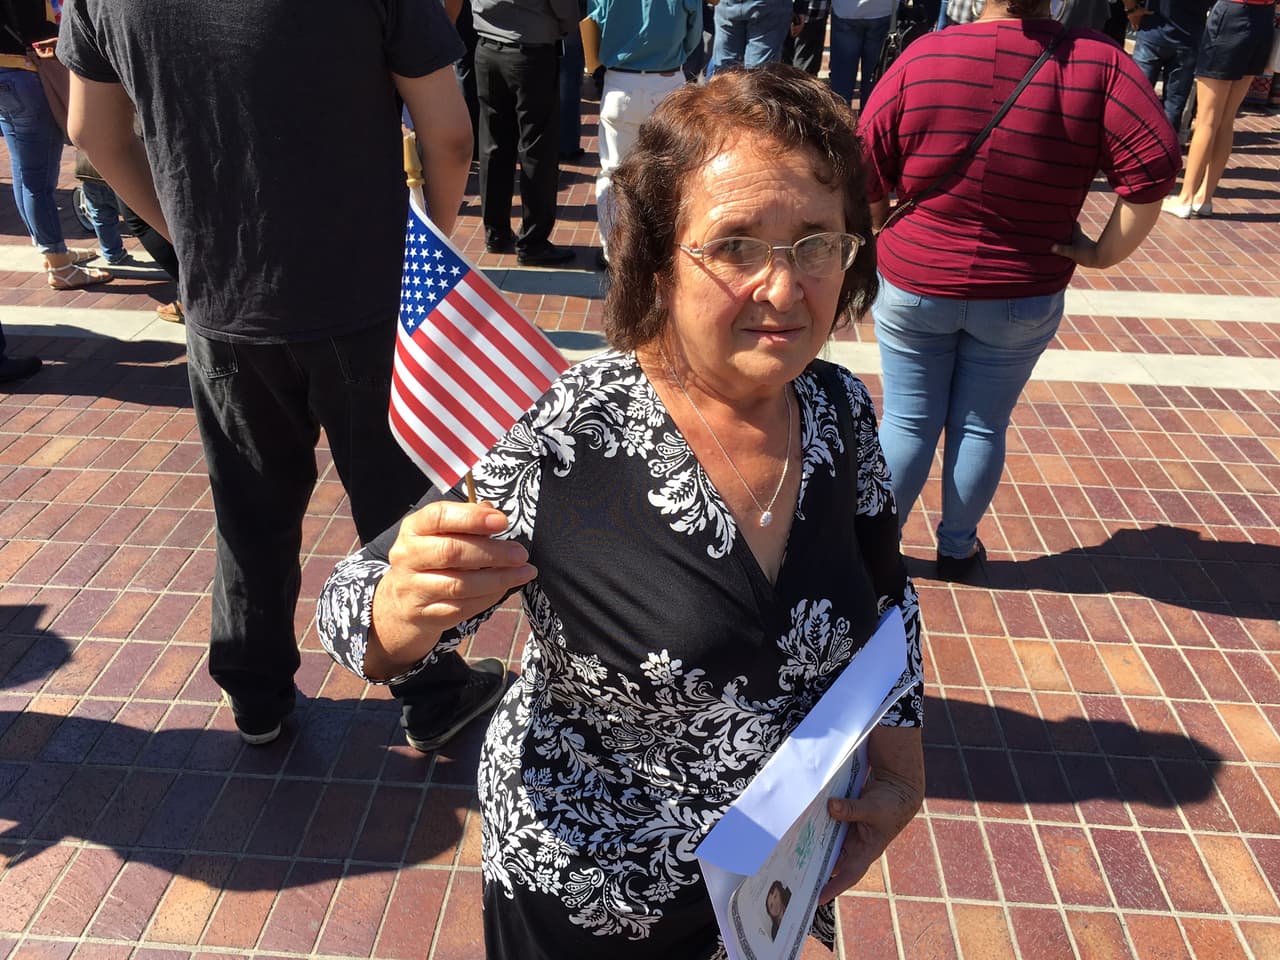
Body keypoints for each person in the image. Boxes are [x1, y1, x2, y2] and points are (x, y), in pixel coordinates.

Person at [317, 65, 924, 958]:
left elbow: (885, 594)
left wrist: (901, 769)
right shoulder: (564, 431)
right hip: (588, 895)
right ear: (656, 258)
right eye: (737, 245)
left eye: (816, 244)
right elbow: (351, 607)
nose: (785, 291)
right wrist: (397, 613)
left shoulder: (835, 408)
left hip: (765, 881)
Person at [58, 0, 507, 752]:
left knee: (249, 509)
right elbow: (451, 135)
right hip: (363, 294)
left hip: (224, 300)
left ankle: (255, 694)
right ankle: (429, 689)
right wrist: (433, 233)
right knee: (396, 505)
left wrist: (187, 236)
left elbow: (91, 133)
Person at [859, 0, 1179, 581]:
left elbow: (864, 162)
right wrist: (1103, 254)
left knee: (907, 420)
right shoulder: (1099, 64)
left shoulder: (924, 55)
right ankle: (957, 549)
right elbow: (1153, 167)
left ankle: (876, 552)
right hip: (1023, 284)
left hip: (916, 277)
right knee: (982, 424)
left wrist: (880, 219)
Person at [0, 0, 111, 326]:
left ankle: (52, 254)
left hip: (9, 75)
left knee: (25, 172)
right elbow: (38, 25)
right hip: (24, 72)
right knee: (38, 178)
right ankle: (59, 264)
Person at [589, 0, 701, 267]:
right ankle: (662, 248)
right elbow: (693, 34)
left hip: (620, 83)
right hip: (667, 82)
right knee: (668, 172)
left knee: (613, 172)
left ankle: (613, 251)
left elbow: (594, 25)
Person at [472, 0, 579, 266]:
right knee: (537, 151)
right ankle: (533, 242)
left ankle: (495, 232)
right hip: (529, 50)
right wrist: (569, 25)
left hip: (487, 46)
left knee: (493, 145)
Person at [1161, 0, 1276, 218]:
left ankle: (1185, 198)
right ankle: (1205, 198)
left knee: (1207, 120)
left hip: (1232, 15)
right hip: (1263, 17)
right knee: (1226, 118)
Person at [1128, 0, 1212, 134]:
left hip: (1152, 32)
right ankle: (1165, 147)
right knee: (1174, 103)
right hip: (1188, 39)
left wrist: (1131, 9)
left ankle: (1129, 141)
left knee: (1137, 97)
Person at [714, 0, 826, 68]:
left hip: (728, 5)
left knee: (726, 68)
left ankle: (725, 103)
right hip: (769, 7)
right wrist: (801, 7)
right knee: (759, 71)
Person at [829, 0, 895, 110]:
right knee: (874, 82)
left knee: (842, 83)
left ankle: (842, 123)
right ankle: (869, 123)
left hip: (846, 10)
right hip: (883, 10)